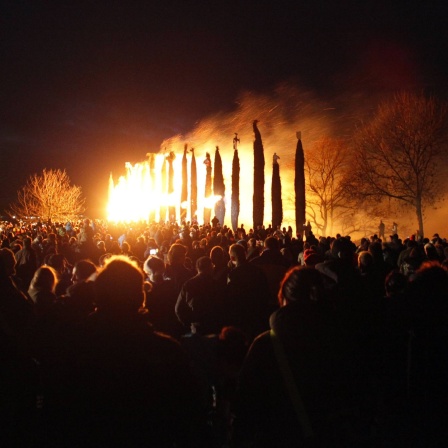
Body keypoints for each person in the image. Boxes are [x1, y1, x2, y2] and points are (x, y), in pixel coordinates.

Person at [233, 266, 375, 447]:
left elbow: (245, 408)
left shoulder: (266, 345)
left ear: (283, 298)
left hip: (283, 437)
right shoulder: (346, 336)